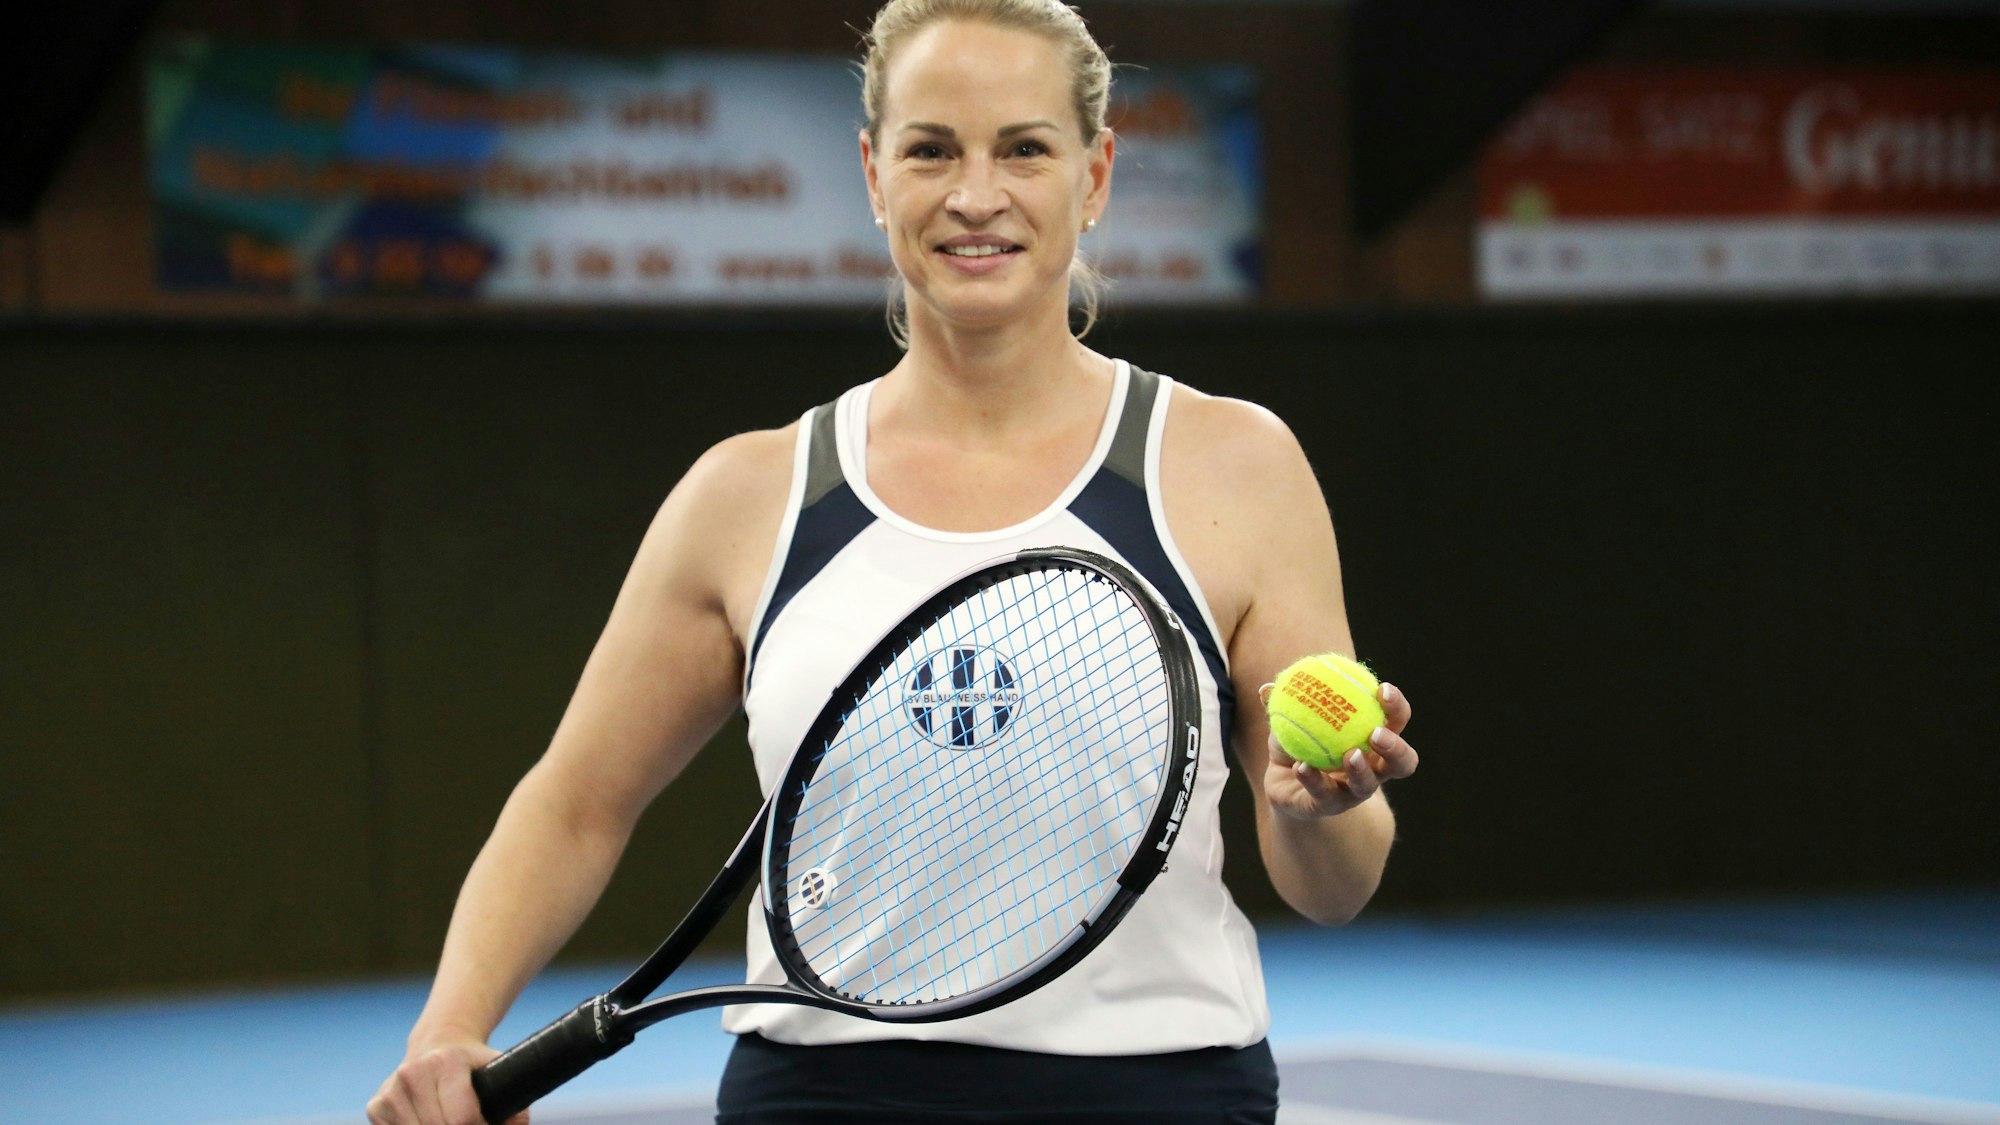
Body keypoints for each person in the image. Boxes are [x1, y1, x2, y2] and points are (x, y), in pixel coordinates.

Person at [366, 2, 1418, 1122]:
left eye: (1023, 147)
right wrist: (449, 1031)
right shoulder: (746, 496)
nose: (975, 196)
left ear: (1095, 174)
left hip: (1161, 1091)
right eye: (930, 150)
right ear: (873, 176)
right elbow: (576, 802)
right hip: (819, 1095)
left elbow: (1336, 885)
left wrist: (1314, 812)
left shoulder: (1234, 467)